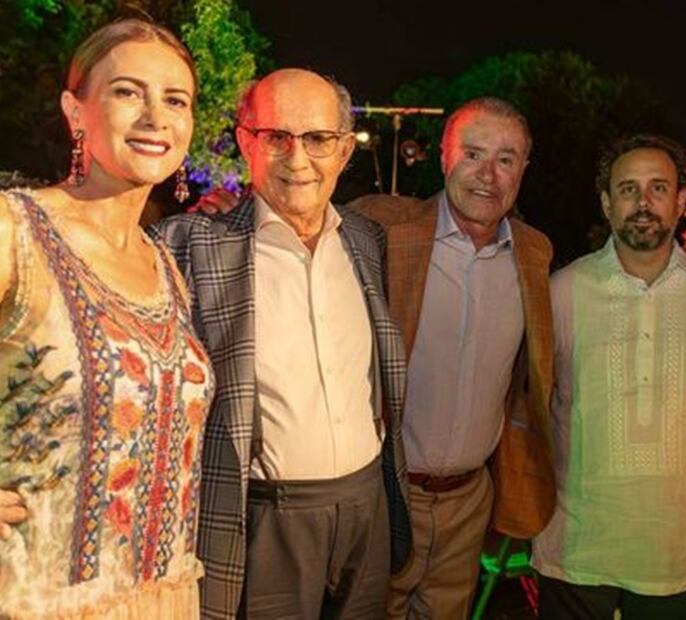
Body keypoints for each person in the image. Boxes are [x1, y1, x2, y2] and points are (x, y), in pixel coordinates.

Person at [154, 68, 410, 619]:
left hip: (368, 507)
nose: (298, 159)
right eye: (276, 136)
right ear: (246, 142)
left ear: (344, 150)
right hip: (264, 519)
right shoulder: (189, 246)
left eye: (318, 138)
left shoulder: (367, 241)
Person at [0, 18, 213, 618]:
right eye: (127, 92)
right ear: (76, 112)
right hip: (36, 600)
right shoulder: (16, 230)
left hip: (165, 597)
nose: (155, 117)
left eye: (176, 100)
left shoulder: (165, 264)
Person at [533, 133, 686, 619]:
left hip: (682, 552)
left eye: (658, 188)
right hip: (577, 548)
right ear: (606, 203)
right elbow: (526, 405)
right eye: (628, 189)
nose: (643, 203)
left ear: (681, 201)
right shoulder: (560, 293)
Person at [348, 97, 555, 619]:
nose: (488, 175)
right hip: (386, 494)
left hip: (470, 503)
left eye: (506, 159)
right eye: (473, 154)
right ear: (444, 157)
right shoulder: (381, 228)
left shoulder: (535, 254)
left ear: (524, 169)